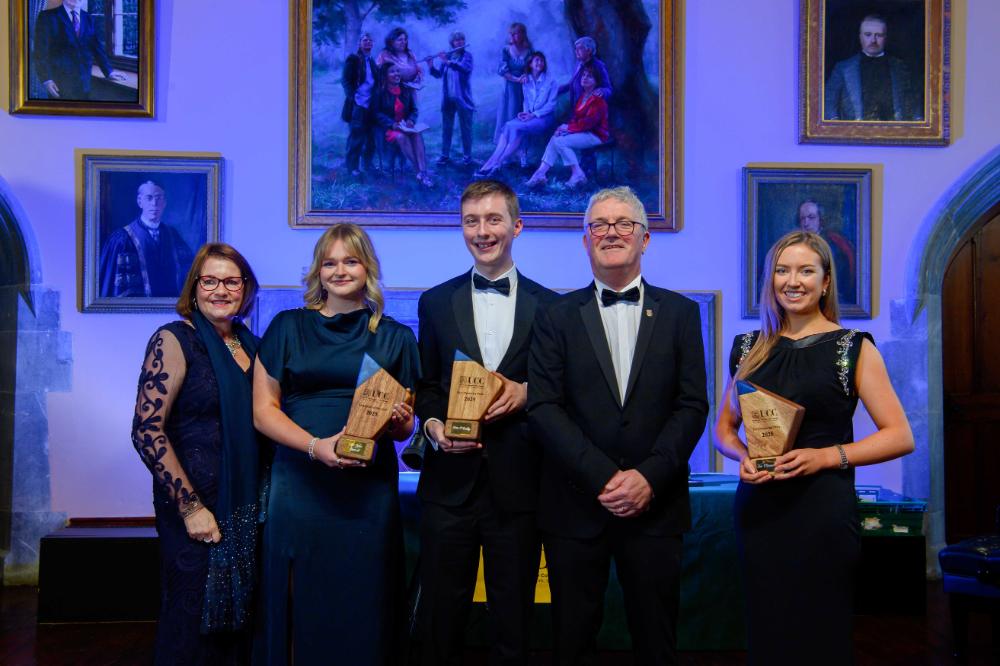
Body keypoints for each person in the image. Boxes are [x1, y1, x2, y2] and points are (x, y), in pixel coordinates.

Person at [713, 230, 914, 665]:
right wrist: (743, 457)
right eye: (782, 271)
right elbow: (723, 430)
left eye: (806, 270)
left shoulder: (852, 348)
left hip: (822, 511)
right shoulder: (749, 348)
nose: (793, 280)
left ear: (825, 282)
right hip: (760, 510)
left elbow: (900, 435)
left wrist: (825, 456)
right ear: (770, 281)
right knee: (768, 632)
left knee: (820, 633)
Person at [527, 186, 708, 665]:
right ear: (585, 241)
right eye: (599, 225)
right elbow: (544, 406)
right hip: (574, 507)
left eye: (624, 223)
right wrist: (604, 477)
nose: (611, 232)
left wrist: (648, 477)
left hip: (657, 507)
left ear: (644, 239)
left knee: (657, 642)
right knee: (571, 640)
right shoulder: (554, 316)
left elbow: (692, 406)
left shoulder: (682, 314)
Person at [252, 223, 419, 665]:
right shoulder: (287, 326)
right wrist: (314, 447)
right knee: (300, 599)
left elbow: (405, 429)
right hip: (300, 483)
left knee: (364, 598)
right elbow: (263, 411)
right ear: (317, 271)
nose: (339, 270)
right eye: (329, 262)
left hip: (366, 493)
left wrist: (401, 421)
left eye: (350, 260)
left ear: (367, 267)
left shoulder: (397, 337)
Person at [415, 180, 557, 665]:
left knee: (513, 619)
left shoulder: (553, 306)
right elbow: (428, 385)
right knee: (441, 617)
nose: (482, 231)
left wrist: (527, 392)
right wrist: (433, 428)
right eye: (471, 221)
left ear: (517, 226)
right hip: (448, 485)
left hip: (520, 486)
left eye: (493, 219)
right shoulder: (434, 302)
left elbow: (563, 389)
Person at [131, 243, 262, 664]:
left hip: (244, 508)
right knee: (191, 623)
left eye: (231, 281)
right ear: (195, 286)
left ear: (245, 288)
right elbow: (146, 431)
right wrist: (190, 508)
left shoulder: (252, 346)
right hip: (195, 508)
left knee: (239, 622)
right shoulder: (175, 339)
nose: (220, 290)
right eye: (210, 280)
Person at [99, 179, 194, 298]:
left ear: (164, 202)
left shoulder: (173, 235)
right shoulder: (122, 239)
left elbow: (189, 272)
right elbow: (115, 287)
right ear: (140, 202)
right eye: (149, 198)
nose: (154, 204)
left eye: (159, 198)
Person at [525, 65, 609, 189]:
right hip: (584, 132)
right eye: (584, 75)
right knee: (556, 137)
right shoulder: (582, 97)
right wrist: (565, 129)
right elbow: (576, 119)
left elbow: (589, 123)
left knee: (560, 142)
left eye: (590, 77)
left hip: (596, 135)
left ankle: (577, 173)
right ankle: (540, 173)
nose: (585, 78)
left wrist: (568, 129)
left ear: (596, 82)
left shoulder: (598, 100)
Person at [824, 13, 920, 121]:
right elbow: (828, 101)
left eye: (878, 35)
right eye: (868, 34)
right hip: (854, 133)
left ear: (885, 38)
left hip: (894, 133)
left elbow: (914, 104)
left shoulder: (901, 68)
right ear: (860, 37)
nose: (873, 40)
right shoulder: (843, 68)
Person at [477, 51, 557, 177]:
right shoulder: (526, 80)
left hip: (543, 118)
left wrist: (533, 114)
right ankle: (493, 163)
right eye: (537, 60)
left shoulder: (550, 81)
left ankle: (495, 163)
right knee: (509, 125)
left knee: (515, 127)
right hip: (529, 116)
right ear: (530, 64)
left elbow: (551, 105)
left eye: (542, 61)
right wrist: (525, 113)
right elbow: (526, 100)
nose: (540, 63)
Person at [32, 0, 128, 100]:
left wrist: (109, 71)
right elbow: (40, 52)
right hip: (58, 83)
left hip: (84, 82)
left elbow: (97, 48)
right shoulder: (47, 17)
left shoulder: (89, 18)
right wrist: (46, 79)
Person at [374, 62, 433, 187]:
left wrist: (411, 120)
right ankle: (419, 170)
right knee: (401, 137)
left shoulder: (405, 89)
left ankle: (423, 172)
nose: (396, 74)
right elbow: (376, 113)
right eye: (392, 71)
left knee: (417, 135)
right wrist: (392, 124)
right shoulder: (379, 92)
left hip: (405, 126)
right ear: (385, 75)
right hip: (389, 128)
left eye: (397, 71)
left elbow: (413, 109)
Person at [429, 31, 476, 166]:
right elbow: (438, 75)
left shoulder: (467, 56)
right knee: (447, 127)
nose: (460, 42)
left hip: (463, 99)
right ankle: (445, 155)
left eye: (462, 39)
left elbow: (464, 69)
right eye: (457, 40)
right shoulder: (448, 56)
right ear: (452, 43)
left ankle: (467, 157)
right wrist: (431, 65)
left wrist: (446, 61)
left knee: (465, 128)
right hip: (448, 99)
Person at [797, 199, 856, 299]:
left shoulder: (833, 246)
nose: (806, 223)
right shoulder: (796, 245)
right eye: (802, 218)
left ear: (821, 220)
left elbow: (839, 282)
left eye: (811, 217)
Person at [342, 32, 379, 178]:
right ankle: (352, 168)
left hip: (371, 105)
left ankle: (367, 165)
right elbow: (345, 80)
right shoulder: (353, 59)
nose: (368, 42)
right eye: (365, 40)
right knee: (356, 136)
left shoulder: (372, 61)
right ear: (359, 43)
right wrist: (354, 97)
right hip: (358, 105)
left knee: (370, 137)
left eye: (370, 40)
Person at [493, 23, 534, 148]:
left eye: (517, 33)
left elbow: (531, 68)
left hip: (524, 87)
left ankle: (521, 151)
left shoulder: (529, 50)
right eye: (513, 33)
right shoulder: (506, 50)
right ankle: (505, 149)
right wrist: (516, 79)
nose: (515, 36)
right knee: (509, 115)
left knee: (522, 115)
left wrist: (526, 75)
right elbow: (503, 71)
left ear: (523, 34)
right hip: (510, 87)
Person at [557, 36, 612, 108]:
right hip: (577, 107)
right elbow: (572, 83)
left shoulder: (599, 66)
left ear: (588, 50)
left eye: (579, 48)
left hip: (591, 108)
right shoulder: (578, 64)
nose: (576, 51)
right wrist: (556, 91)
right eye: (575, 49)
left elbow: (608, 88)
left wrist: (603, 91)